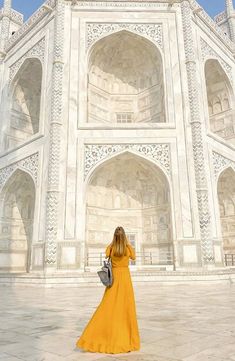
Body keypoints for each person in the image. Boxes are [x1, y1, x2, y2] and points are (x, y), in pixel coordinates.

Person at [76, 226, 140, 354]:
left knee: (108, 307)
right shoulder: (127, 248)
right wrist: (126, 243)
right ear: (124, 236)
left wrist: (113, 242)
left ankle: (94, 336)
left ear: (115, 236)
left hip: (114, 280)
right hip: (125, 280)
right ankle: (125, 338)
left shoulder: (111, 248)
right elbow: (134, 257)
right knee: (125, 309)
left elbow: (106, 254)